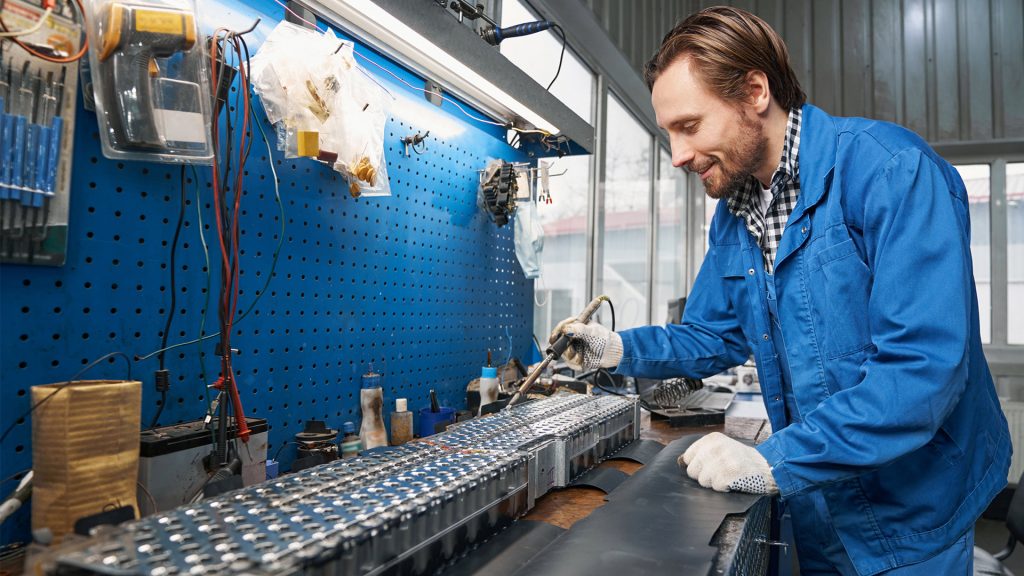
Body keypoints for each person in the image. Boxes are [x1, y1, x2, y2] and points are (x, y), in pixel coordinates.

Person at [550, 6, 1011, 575]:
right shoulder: (737, 211)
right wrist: (617, 348)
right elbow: (712, 332)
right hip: (818, 498)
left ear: (755, 91)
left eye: (689, 126)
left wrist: (772, 460)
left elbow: (920, 372)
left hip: (912, 512)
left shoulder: (890, 172)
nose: (678, 156)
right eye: (669, 132)